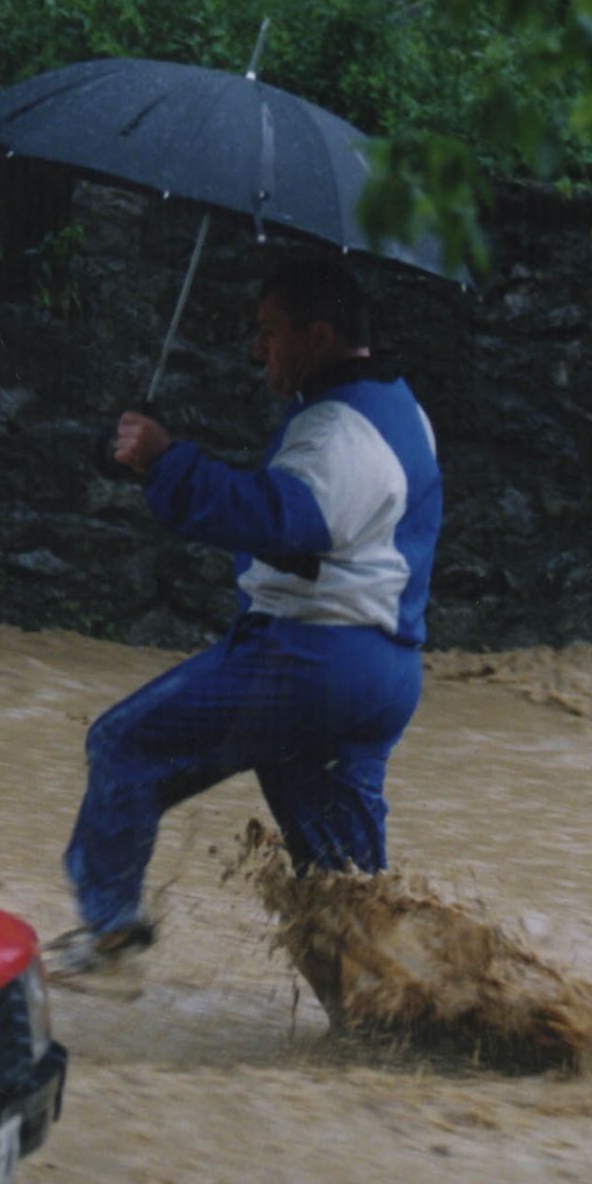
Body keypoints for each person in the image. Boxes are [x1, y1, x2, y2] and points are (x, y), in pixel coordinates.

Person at [51, 256, 443, 975]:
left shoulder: (339, 431)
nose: (255, 349)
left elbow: (279, 517)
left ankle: (108, 936)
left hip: (310, 664)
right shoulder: (398, 406)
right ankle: (388, 1019)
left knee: (125, 747)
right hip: (380, 672)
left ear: (318, 335)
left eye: (269, 331)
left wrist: (165, 462)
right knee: (342, 890)